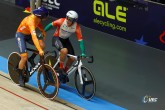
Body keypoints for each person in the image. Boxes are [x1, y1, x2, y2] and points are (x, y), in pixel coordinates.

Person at [44, 10, 86, 83]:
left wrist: (83, 52)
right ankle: (60, 69)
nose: (67, 20)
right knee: (64, 50)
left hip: (65, 40)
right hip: (56, 38)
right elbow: (50, 25)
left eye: (70, 19)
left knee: (72, 58)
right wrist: (43, 33)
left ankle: (63, 74)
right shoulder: (61, 21)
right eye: (67, 17)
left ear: (74, 21)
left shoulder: (77, 27)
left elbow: (80, 41)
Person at [15, 7, 49, 86]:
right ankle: (20, 76)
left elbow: (38, 23)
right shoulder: (31, 21)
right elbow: (34, 38)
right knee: (24, 57)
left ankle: (32, 58)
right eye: (45, 17)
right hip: (20, 35)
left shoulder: (38, 18)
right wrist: (39, 50)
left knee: (42, 45)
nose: (46, 18)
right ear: (41, 16)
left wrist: (42, 30)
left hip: (28, 34)